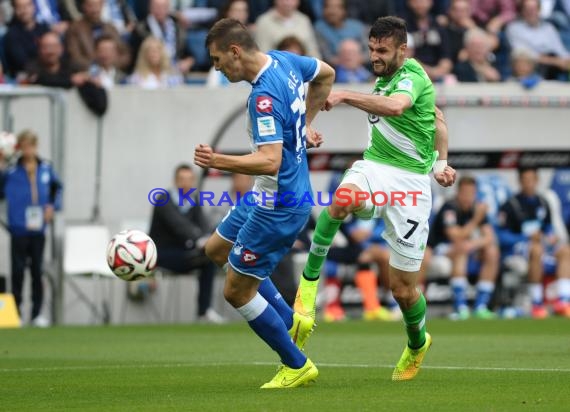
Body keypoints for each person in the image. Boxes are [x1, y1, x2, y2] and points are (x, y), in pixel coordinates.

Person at [293, 16, 456, 381]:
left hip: (411, 187)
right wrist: (443, 161)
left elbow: (399, 107)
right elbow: (438, 117)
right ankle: (308, 288)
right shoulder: (385, 76)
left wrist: (438, 165)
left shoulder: (412, 77)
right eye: (370, 49)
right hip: (376, 168)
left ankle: (417, 343)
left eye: (382, 50)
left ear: (403, 49)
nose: (374, 56)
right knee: (339, 201)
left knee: (403, 289)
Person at [194, 18, 335, 388]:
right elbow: (327, 73)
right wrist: (304, 124)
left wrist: (217, 160)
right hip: (266, 192)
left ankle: (296, 363)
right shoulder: (284, 61)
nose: (217, 68)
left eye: (217, 59)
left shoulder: (263, 97)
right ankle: (291, 321)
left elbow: (270, 160)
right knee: (215, 249)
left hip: (279, 204)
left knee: (236, 291)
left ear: (235, 52)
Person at [0, 130, 63, 327]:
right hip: (18, 228)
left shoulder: (46, 168)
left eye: (31, 145)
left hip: (38, 229)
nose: (28, 150)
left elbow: (57, 189)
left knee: (37, 271)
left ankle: (37, 314)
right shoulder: (10, 171)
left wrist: (53, 206)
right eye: (24, 146)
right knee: (17, 272)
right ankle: (16, 313)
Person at [149, 164, 225, 323]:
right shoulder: (163, 199)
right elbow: (179, 226)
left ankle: (204, 312)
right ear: (175, 181)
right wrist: (200, 239)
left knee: (208, 259)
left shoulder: (193, 200)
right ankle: (204, 312)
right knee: (204, 256)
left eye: (189, 180)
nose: (186, 183)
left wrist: (210, 239)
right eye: (182, 179)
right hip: (162, 255)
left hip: (184, 254)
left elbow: (203, 225)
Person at [497, 167, 570, 318]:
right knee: (536, 249)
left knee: (565, 250)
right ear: (520, 182)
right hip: (518, 249)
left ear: (537, 181)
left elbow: (548, 227)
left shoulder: (543, 202)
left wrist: (550, 236)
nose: (529, 184)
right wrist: (526, 237)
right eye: (525, 180)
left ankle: (563, 301)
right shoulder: (510, 205)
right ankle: (537, 304)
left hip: (542, 246)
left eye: (532, 180)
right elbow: (501, 235)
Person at [429, 176, 499, 320]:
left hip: (466, 247)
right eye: (465, 192)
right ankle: (460, 307)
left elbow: (489, 237)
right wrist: (475, 220)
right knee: (461, 248)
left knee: (492, 251)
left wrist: (473, 244)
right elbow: (455, 236)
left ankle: (481, 306)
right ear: (458, 192)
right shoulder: (450, 208)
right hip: (441, 248)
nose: (468, 196)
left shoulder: (476, 208)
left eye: (471, 193)